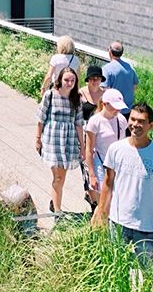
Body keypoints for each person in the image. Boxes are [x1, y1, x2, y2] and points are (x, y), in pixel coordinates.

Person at [92, 103, 153, 262]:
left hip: (147, 227)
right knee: (118, 270)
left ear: (150, 125)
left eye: (141, 121)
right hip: (118, 222)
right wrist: (101, 212)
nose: (135, 124)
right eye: (132, 119)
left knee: (144, 276)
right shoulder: (116, 148)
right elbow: (108, 183)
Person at [35, 67, 84, 214]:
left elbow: (79, 124)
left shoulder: (76, 99)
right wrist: (38, 139)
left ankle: (54, 200)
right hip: (52, 140)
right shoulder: (50, 95)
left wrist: (82, 145)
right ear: (60, 80)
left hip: (68, 141)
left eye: (72, 80)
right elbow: (40, 119)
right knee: (58, 177)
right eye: (66, 80)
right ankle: (57, 211)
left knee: (60, 178)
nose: (69, 83)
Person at [84, 89, 129, 206]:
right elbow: (89, 150)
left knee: (117, 199)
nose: (117, 110)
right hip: (101, 164)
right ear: (104, 104)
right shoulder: (95, 121)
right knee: (103, 203)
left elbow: (124, 144)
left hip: (117, 165)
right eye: (114, 107)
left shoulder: (121, 119)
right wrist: (92, 175)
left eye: (119, 108)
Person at [102, 41, 139, 118]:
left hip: (113, 111)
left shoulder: (106, 69)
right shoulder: (130, 67)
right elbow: (135, 87)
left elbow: (104, 90)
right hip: (128, 110)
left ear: (110, 52)